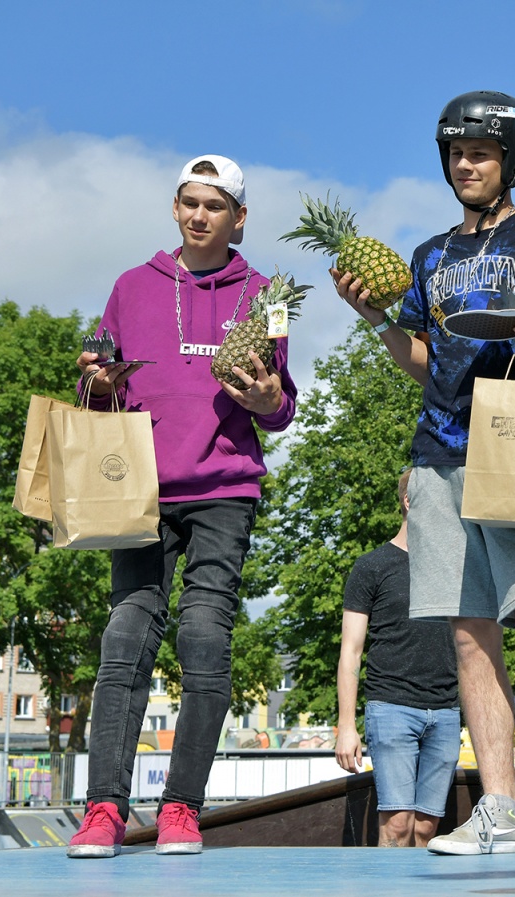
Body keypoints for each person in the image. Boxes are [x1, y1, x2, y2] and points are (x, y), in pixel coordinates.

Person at [331, 90, 515, 860]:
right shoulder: (430, 256)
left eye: (480, 153)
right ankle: (498, 806)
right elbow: (428, 364)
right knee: (468, 635)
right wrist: (377, 319)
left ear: (511, 159)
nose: (464, 164)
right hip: (438, 455)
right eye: (455, 152)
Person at [66, 155, 298, 859]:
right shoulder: (131, 286)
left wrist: (269, 401)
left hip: (226, 487)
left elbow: (281, 404)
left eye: (214, 205)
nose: (200, 215)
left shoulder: (267, 296)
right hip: (140, 487)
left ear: (239, 218)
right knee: (125, 638)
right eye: (189, 202)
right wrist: (96, 383)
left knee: (204, 635)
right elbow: (96, 393)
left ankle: (181, 808)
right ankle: (104, 808)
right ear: (175, 208)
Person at [335, 468, 461, 847]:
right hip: (391, 709)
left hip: (446, 711)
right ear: (408, 501)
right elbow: (350, 651)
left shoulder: (453, 566)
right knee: (397, 825)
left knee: (425, 829)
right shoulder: (371, 566)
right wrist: (346, 726)